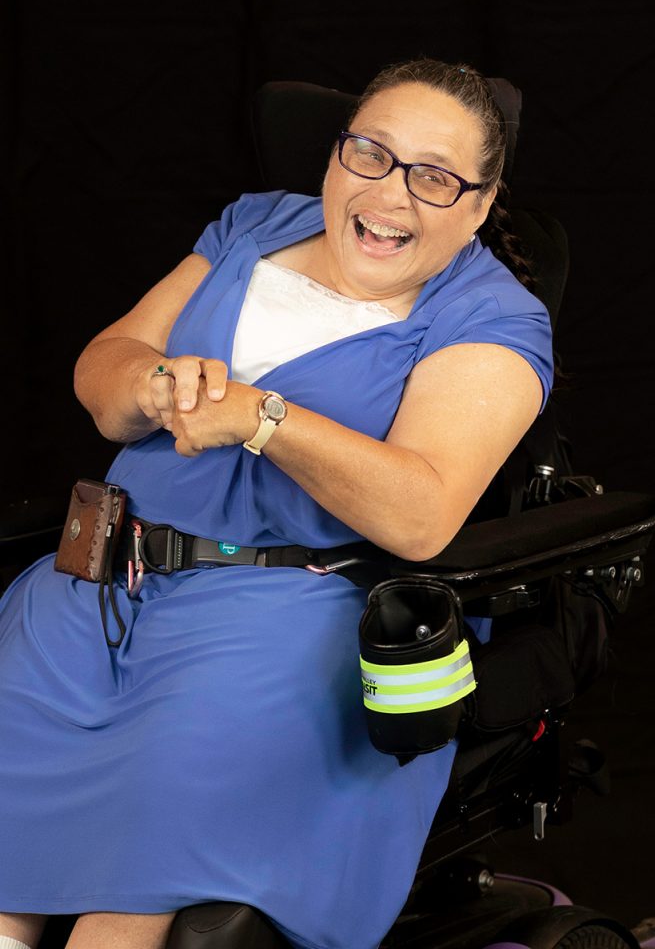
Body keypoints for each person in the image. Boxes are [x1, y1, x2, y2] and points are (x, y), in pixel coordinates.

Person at [0, 58, 553, 949]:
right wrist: (152, 383)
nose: (391, 195)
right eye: (371, 154)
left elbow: (420, 514)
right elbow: (104, 378)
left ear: (481, 204)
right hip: (98, 588)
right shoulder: (256, 225)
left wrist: (263, 418)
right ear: (337, 155)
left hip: (286, 610)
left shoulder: (490, 317)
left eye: (435, 177)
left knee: (131, 896)